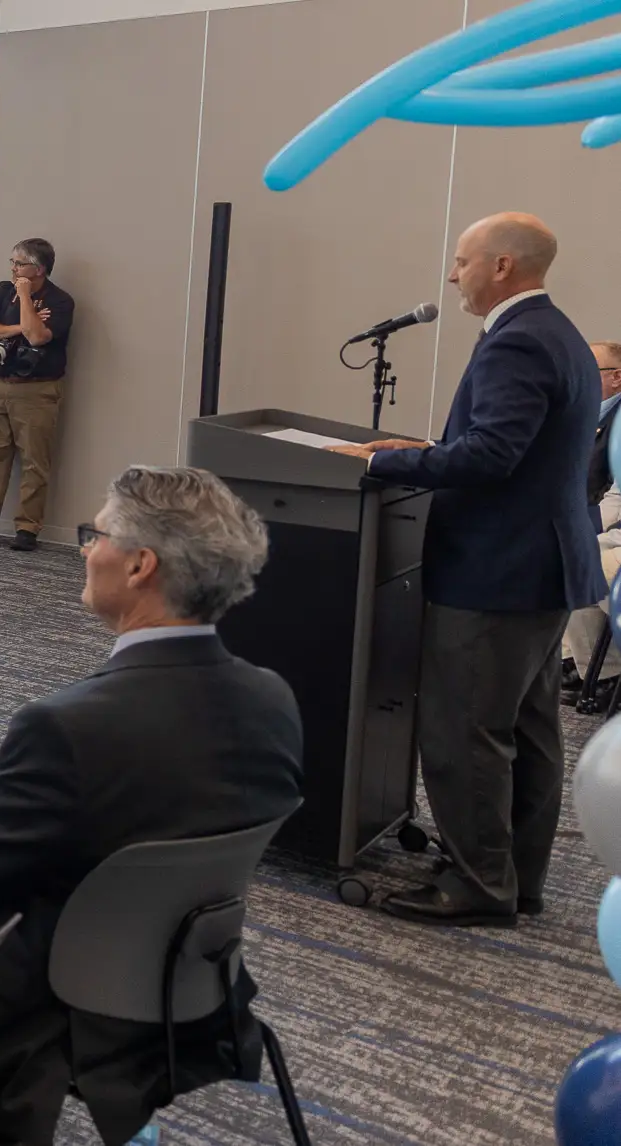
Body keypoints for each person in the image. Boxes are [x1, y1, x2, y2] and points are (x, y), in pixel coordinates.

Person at [0, 466, 302, 1146]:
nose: (86, 550)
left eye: (96, 536)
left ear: (140, 565)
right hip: (194, 979)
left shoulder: (64, 727)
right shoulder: (273, 699)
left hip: (55, 1001)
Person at [328, 212, 601, 927]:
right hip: (540, 567)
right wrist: (424, 449)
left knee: (465, 732)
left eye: (461, 261)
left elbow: (491, 456)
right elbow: (519, 448)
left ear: (501, 266)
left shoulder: (518, 340)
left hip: (497, 572)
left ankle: (476, 885)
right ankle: (515, 877)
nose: (452, 276)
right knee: (526, 731)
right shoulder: (559, 333)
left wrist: (388, 464)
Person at [0, 238, 77, 552]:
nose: (13, 269)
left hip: (38, 390)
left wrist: (25, 296)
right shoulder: (3, 291)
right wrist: (19, 327)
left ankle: (27, 529)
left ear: (38, 269)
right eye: (12, 262)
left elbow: (38, 337)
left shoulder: (61, 301)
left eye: (19, 264)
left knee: (34, 460)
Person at [562, 339, 621, 706]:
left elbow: (613, 496)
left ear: (617, 377)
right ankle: (586, 666)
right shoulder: (581, 414)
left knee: (580, 555)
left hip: (603, 519)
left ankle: (601, 672)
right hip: (592, 518)